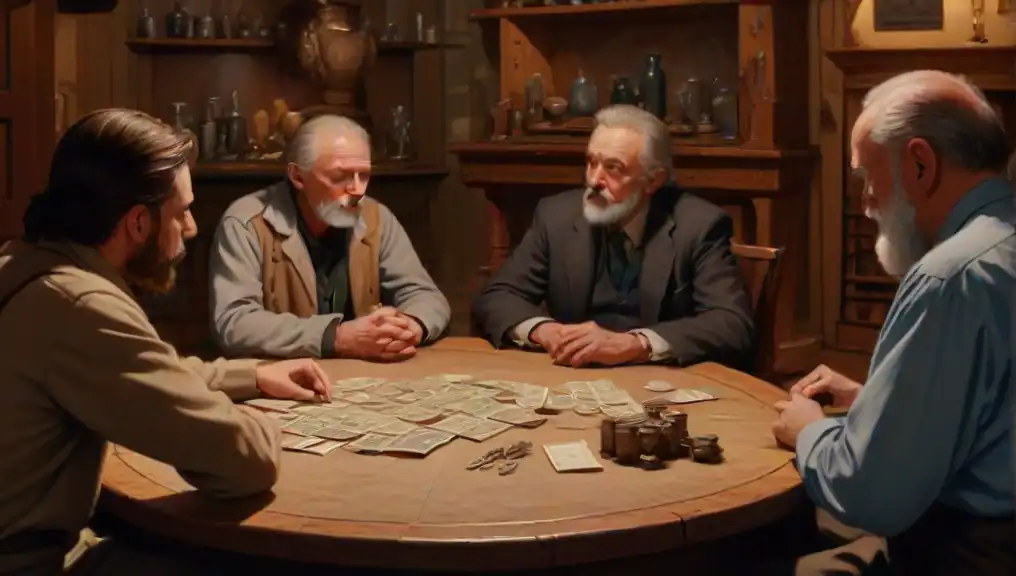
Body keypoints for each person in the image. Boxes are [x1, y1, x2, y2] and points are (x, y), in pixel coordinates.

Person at [0, 109, 331, 574]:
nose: (192, 227)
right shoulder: (80, 305)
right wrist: (262, 425)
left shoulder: (27, 261)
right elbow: (247, 462)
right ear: (138, 223)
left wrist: (252, 374)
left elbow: (136, 364)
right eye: (182, 212)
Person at [772, 71, 1015, 574]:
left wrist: (808, 433)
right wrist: (873, 401)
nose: (864, 205)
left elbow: (871, 495)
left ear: (920, 165)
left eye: (867, 179)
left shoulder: (951, 276)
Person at [471, 104, 753, 368]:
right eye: (591, 163)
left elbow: (731, 324)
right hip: (575, 379)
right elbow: (497, 296)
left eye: (613, 168)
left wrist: (635, 344)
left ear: (653, 180)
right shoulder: (556, 216)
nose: (594, 180)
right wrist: (545, 331)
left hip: (660, 384)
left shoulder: (698, 225)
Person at [209, 115, 450, 362]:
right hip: (284, 383)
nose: (357, 190)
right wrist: (338, 337)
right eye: (340, 177)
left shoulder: (376, 218)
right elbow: (234, 323)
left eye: (364, 175)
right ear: (298, 176)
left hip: (361, 381)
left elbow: (426, 296)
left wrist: (409, 326)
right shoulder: (247, 223)